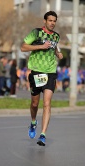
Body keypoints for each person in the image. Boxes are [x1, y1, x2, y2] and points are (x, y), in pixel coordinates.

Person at [20, 11, 63, 146]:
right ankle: (33, 122)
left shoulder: (56, 36)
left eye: (54, 21)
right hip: (37, 72)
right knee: (34, 104)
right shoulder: (36, 33)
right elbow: (23, 47)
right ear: (45, 21)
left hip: (50, 73)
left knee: (47, 103)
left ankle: (43, 134)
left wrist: (58, 53)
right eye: (50, 20)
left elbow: (54, 48)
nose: (52, 23)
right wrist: (40, 46)